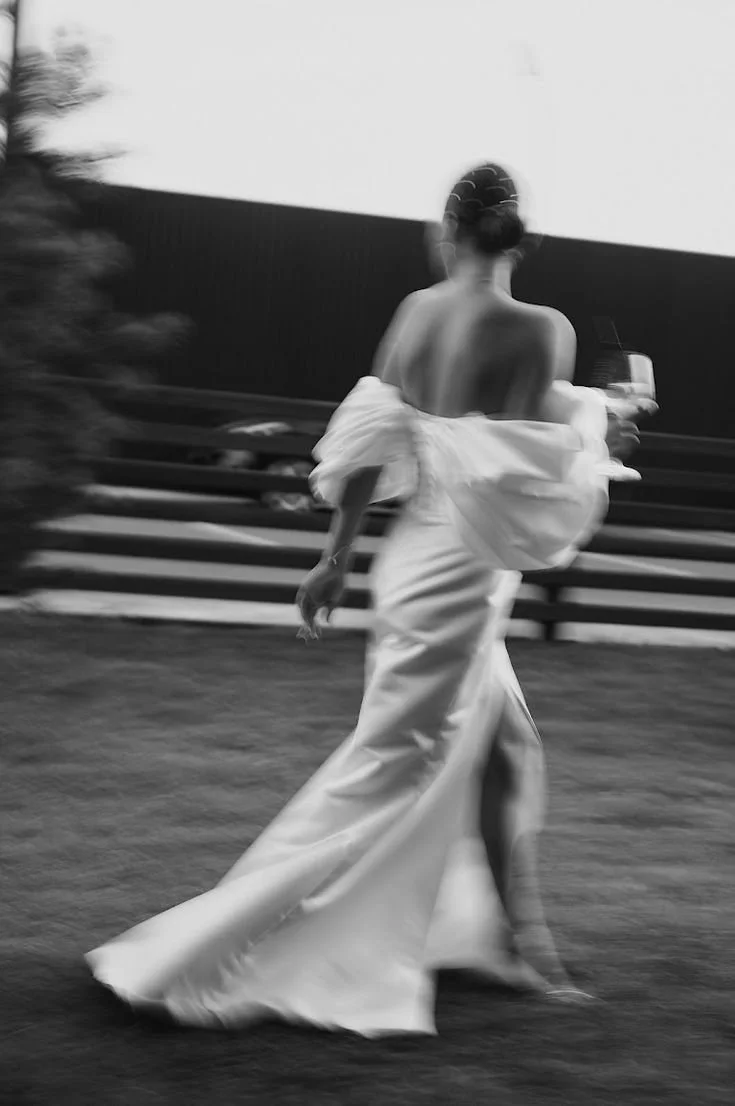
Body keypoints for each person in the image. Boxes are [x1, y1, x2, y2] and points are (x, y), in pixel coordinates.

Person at [86, 163, 647, 1037]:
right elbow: (532, 473)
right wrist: (601, 427)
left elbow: (371, 440)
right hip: (467, 570)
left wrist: (333, 559)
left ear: (446, 232)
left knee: (503, 750)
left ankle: (524, 951)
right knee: (397, 769)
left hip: (414, 560)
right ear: (517, 241)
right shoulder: (544, 328)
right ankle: (220, 948)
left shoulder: (415, 314)